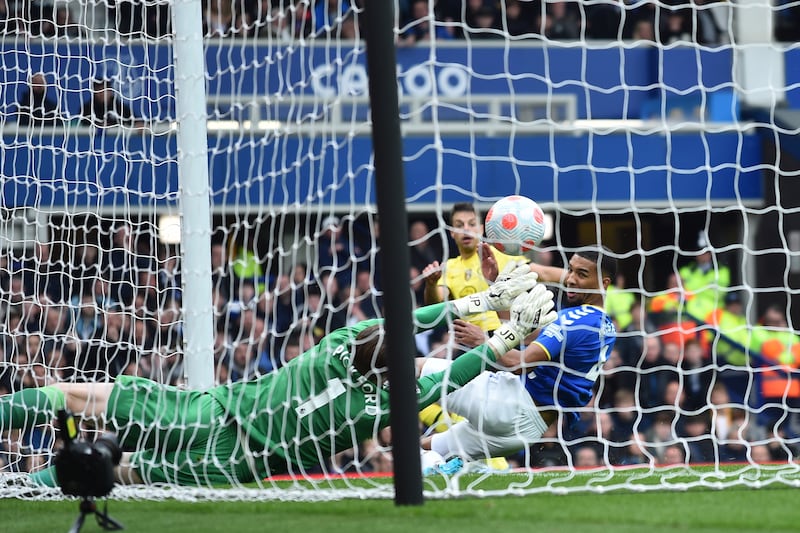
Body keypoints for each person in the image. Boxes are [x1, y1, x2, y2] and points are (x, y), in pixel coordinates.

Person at [0, 267, 555, 486]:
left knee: (83, 400)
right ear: (392, 373)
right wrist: (509, 333)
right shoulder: (384, 405)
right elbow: (457, 368)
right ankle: (27, 486)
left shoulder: (337, 346)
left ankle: (23, 481)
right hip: (234, 457)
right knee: (125, 476)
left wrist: (482, 302)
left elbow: (404, 321)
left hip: (223, 415)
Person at [421, 245, 618, 463]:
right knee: (430, 448)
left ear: (604, 283)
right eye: (570, 270)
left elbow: (520, 364)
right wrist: (495, 285)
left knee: (414, 367)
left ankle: (378, 413)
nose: (570, 279)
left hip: (509, 403)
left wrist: (483, 341)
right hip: (527, 431)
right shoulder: (603, 325)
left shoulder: (574, 320)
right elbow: (521, 335)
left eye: (581, 274)